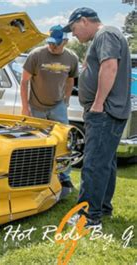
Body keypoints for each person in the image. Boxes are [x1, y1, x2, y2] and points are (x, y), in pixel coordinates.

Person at [63, 7, 131, 228]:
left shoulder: (106, 34)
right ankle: (102, 207)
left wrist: (98, 103)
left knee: (93, 163)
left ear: (83, 21)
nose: (73, 35)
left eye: (73, 29)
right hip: (110, 111)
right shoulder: (105, 36)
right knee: (106, 163)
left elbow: (110, 67)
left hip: (105, 111)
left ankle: (88, 216)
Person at [20, 24, 79, 198]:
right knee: (37, 144)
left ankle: (64, 177)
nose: (53, 46)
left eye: (57, 43)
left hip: (58, 107)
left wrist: (66, 100)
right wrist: (25, 107)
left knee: (63, 142)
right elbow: (24, 82)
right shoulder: (36, 55)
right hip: (36, 106)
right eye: (51, 42)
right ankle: (36, 177)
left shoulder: (71, 58)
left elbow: (70, 80)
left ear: (66, 42)